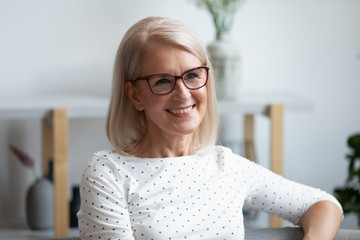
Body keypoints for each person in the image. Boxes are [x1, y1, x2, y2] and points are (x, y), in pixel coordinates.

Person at [77, 17, 343, 240]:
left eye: (192, 75)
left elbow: (323, 205)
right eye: (162, 81)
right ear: (134, 95)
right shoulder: (107, 174)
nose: (183, 94)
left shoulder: (226, 166)